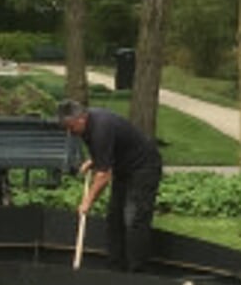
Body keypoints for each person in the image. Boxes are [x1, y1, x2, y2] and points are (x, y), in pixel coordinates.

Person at [57, 98, 163, 273]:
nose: (69, 132)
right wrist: (95, 160)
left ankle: (138, 272)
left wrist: (87, 202)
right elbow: (109, 147)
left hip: (144, 169)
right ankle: (115, 268)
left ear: (81, 118)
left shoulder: (101, 128)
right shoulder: (87, 127)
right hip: (124, 167)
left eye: (70, 127)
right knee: (114, 218)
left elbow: (103, 176)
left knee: (134, 219)